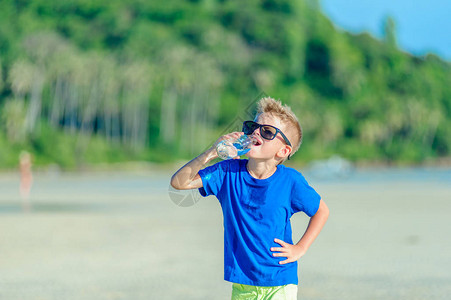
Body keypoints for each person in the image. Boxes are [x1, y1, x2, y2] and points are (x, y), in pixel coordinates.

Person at [171, 97, 329, 299]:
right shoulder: (227, 173)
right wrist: (212, 152)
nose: (256, 132)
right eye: (252, 126)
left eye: (267, 132)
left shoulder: (290, 181)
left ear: (283, 150)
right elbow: (179, 182)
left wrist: (301, 247)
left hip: (280, 281)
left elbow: (321, 211)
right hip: (243, 284)